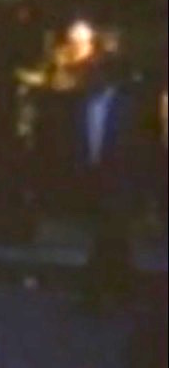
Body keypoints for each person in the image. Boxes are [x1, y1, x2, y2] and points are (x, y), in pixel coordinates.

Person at [72, 52, 157, 312]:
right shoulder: (83, 106)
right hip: (93, 178)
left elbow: (139, 146)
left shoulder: (127, 107)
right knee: (113, 237)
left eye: (94, 73)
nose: (89, 78)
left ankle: (95, 291)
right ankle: (121, 288)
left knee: (109, 232)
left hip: (120, 179)